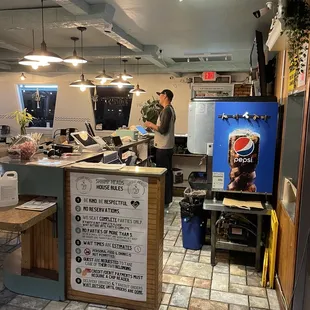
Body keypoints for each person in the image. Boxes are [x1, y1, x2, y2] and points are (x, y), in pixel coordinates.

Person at [145, 89, 176, 211]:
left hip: (163, 148)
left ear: (166, 96)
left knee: (163, 175)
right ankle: (167, 199)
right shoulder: (171, 110)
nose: (159, 97)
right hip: (167, 146)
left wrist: (150, 125)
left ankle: (164, 200)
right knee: (167, 173)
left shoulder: (167, 110)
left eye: (161, 95)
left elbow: (163, 129)